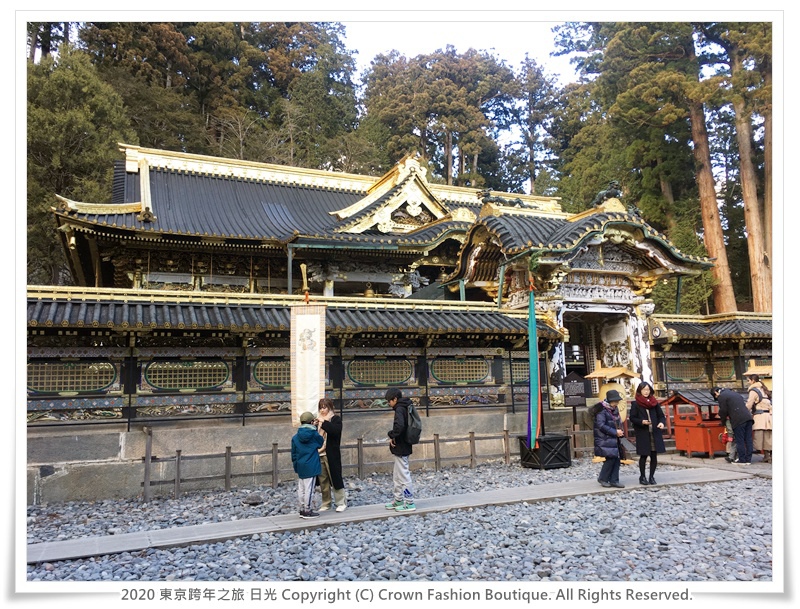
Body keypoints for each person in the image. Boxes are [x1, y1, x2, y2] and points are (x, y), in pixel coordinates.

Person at [628, 381, 666, 485]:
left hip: (654, 432)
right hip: (643, 433)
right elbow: (632, 418)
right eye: (644, 389)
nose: (646, 392)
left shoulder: (654, 403)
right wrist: (641, 422)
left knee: (654, 456)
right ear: (640, 391)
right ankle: (642, 476)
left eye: (648, 389)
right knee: (643, 456)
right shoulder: (636, 404)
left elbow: (661, 416)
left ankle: (652, 476)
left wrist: (662, 423)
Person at [384, 387, 415, 512]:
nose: (388, 403)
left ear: (395, 399)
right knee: (397, 475)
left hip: (402, 446)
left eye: (389, 401)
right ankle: (398, 499)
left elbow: (400, 426)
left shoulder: (400, 409)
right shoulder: (405, 407)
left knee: (403, 475)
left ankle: (409, 502)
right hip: (403, 445)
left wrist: (391, 434)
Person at [315, 398, 347, 512]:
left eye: (325, 407)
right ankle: (326, 502)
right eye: (321, 407)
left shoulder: (335, 419)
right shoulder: (317, 421)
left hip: (331, 453)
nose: (323, 410)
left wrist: (323, 423)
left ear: (330, 407)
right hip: (319, 453)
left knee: (335, 478)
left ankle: (341, 502)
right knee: (323, 480)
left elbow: (335, 431)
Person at [291, 411, 324, 518]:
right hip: (312, 464)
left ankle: (301, 508)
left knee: (301, 488)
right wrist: (317, 428)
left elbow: (293, 454)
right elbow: (320, 443)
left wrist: (296, 465)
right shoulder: (314, 434)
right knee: (309, 488)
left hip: (300, 464)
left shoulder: (295, 437)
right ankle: (307, 510)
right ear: (311, 421)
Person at [591, 389, 626, 488]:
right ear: (610, 401)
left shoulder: (614, 409)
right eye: (615, 402)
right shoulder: (601, 410)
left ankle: (614, 480)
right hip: (605, 438)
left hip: (614, 438)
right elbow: (601, 425)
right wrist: (615, 432)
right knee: (610, 459)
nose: (616, 403)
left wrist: (620, 432)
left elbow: (618, 421)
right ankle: (603, 478)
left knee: (617, 458)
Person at [711, 387, 753, 464]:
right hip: (748, 417)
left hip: (738, 420)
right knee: (748, 439)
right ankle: (748, 460)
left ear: (716, 393)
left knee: (739, 440)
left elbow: (723, 411)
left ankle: (742, 460)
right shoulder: (735, 393)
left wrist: (723, 422)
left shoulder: (722, 396)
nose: (717, 398)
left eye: (716, 396)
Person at [745, 375, 773, 463]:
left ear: (753, 381)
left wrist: (744, 412)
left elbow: (749, 404)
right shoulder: (764, 389)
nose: (748, 382)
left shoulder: (753, 391)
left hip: (760, 417)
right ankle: (769, 456)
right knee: (769, 437)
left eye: (749, 380)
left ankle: (767, 456)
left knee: (760, 438)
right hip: (769, 416)